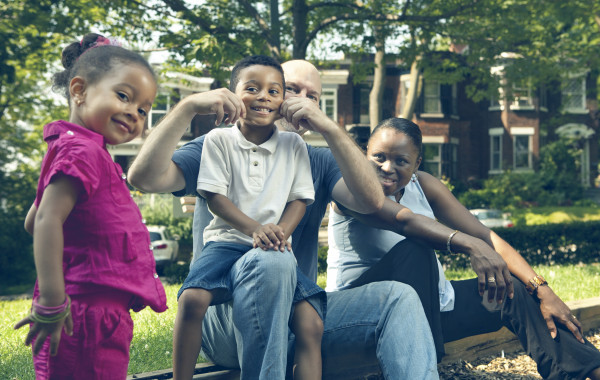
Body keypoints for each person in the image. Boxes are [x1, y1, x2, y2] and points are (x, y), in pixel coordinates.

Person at [130, 60, 508, 379]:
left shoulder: (318, 159)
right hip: (224, 315)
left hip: (297, 310)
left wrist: (329, 128)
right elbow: (146, 178)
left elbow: (373, 200)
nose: (300, 103)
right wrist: (185, 108)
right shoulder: (220, 143)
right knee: (272, 261)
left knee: (398, 297)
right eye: (291, 89)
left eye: (312, 96)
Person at [326, 117, 600, 379]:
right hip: (365, 311)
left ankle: (585, 371)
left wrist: (541, 289)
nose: (387, 167)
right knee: (416, 250)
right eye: (379, 157)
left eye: (401, 161)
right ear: (364, 155)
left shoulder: (423, 184)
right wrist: (470, 246)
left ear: (417, 163)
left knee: (512, 290)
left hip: (431, 309)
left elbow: (483, 233)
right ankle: (422, 368)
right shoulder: (351, 190)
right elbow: (407, 224)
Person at [14, 33, 167, 379]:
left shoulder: (85, 151)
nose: (134, 113)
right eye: (124, 96)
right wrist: (52, 302)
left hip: (100, 313)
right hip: (82, 314)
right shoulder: (83, 153)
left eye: (143, 110)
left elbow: (34, 219)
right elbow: (46, 220)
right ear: (79, 90)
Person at [172, 55, 324, 380]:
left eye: (274, 91)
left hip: (276, 250)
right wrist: (255, 229)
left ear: (284, 101)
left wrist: (280, 233)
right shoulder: (218, 139)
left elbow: (299, 200)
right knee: (191, 301)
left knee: (311, 323)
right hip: (226, 244)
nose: (263, 97)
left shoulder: (294, 145)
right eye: (252, 88)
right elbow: (215, 198)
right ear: (233, 94)